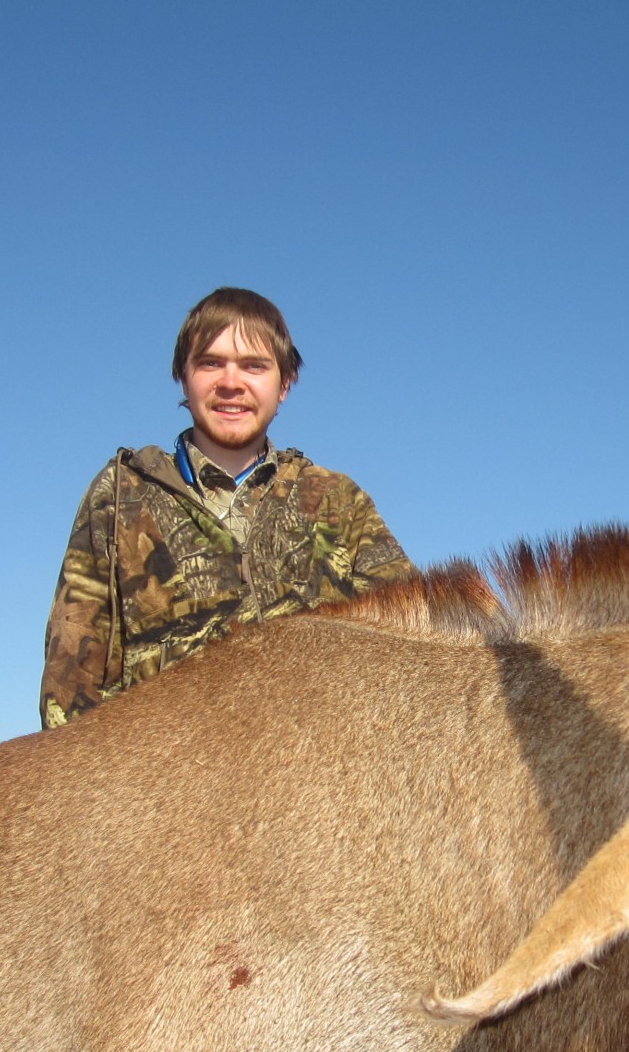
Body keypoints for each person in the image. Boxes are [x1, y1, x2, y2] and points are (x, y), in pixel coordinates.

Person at [40, 288, 415, 728]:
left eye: (254, 366)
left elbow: (411, 641)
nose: (231, 383)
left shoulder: (337, 500)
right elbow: (69, 681)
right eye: (210, 362)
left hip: (320, 783)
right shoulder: (120, 493)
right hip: (165, 786)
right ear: (184, 376)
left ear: (285, 384)